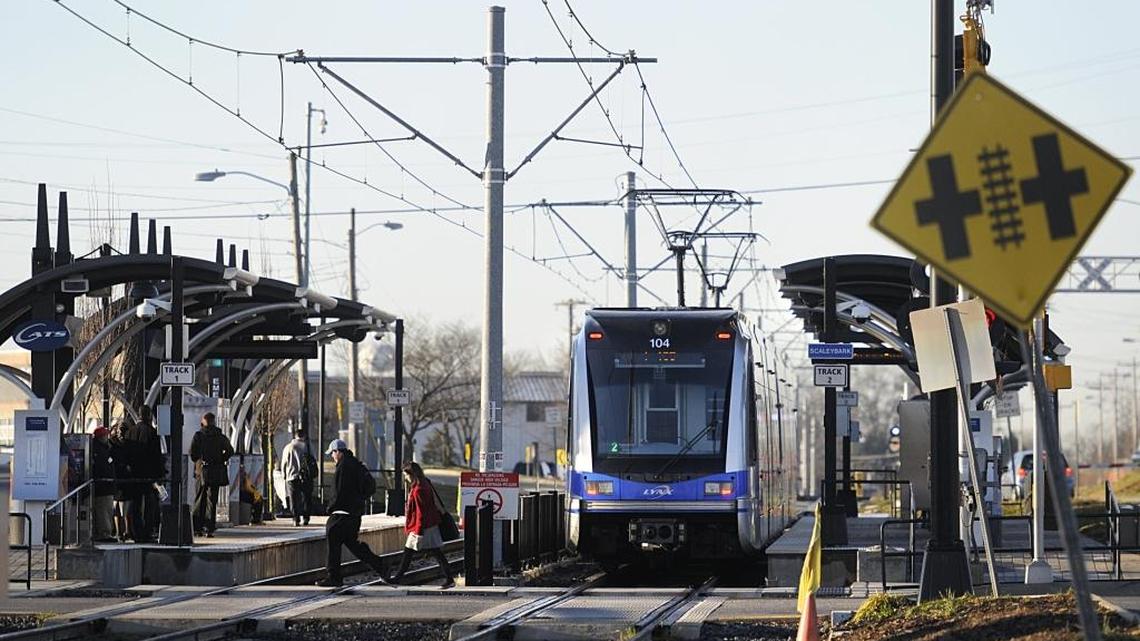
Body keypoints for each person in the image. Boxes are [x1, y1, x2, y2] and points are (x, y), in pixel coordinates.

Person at [316, 439, 388, 587]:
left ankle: (334, 576)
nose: (332, 457)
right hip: (354, 514)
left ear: (338, 452)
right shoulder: (357, 465)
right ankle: (378, 564)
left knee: (333, 537)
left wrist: (331, 507)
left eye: (333, 453)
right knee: (352, 543)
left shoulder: (343, 467)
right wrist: (359, 500)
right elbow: (370, 487)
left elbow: (338, 491)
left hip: (342, 513)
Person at [388, 462, 454, 589]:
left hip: (423, 527)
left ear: (411, 474)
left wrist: (419, 531)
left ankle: (397, 578)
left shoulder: (419, 490)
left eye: (405, 475)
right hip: (426, 525)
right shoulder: (423, 484)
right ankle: (449, 578)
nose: (405, 478)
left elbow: (421, 512)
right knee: (430, 552)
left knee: (417, 553)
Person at [190, 412, 234, 537]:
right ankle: (209, 528)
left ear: (203, 422)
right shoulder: (220, 436)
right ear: (214, 422)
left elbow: (193, 453)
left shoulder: (199, 436)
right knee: (212, 500)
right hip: (215, 471)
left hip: (201, 471)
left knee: (199, 499)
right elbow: (230, 450)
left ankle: (197, 527)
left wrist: (199, 462)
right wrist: (221, 459)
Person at [125, 406, 164, 541]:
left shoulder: (130, 432)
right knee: (149, 504)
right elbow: (156, 456)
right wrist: (160, 474)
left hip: (134, 474)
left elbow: (127, 454)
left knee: (135, 504)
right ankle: (147, 532)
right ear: (149, 416)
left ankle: (136, 532)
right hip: (148, 474)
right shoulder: (152, 433)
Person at [280, 428, 314, 526]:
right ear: (303, 436)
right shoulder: (307, 446)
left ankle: (296, 518)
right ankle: (306, 518)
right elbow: (313, 459)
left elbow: (284, 463)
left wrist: (284, 475)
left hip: (291, 477)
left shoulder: (288, 447)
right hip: (306, 477)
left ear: (295, 436)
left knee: (293, 499)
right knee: (306, 498)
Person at [90, 426, 117, 543]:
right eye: (106, 435)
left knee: (104, 510)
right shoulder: (101, 451)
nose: (108, 437)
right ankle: (104, 533)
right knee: (104, 510)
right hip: (104, 486)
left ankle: (103, 532)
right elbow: (104, 468)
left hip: (103, 486)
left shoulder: (101, 449)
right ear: (101, 437)